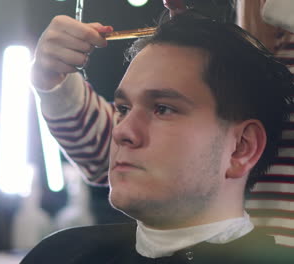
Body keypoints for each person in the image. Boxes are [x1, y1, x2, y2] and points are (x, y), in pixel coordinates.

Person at [22, 14, 293, 263]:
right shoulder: (59, 256)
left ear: (241, 148)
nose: (120, 132)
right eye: (123, 110)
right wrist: (53, 81)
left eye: (163, 109)